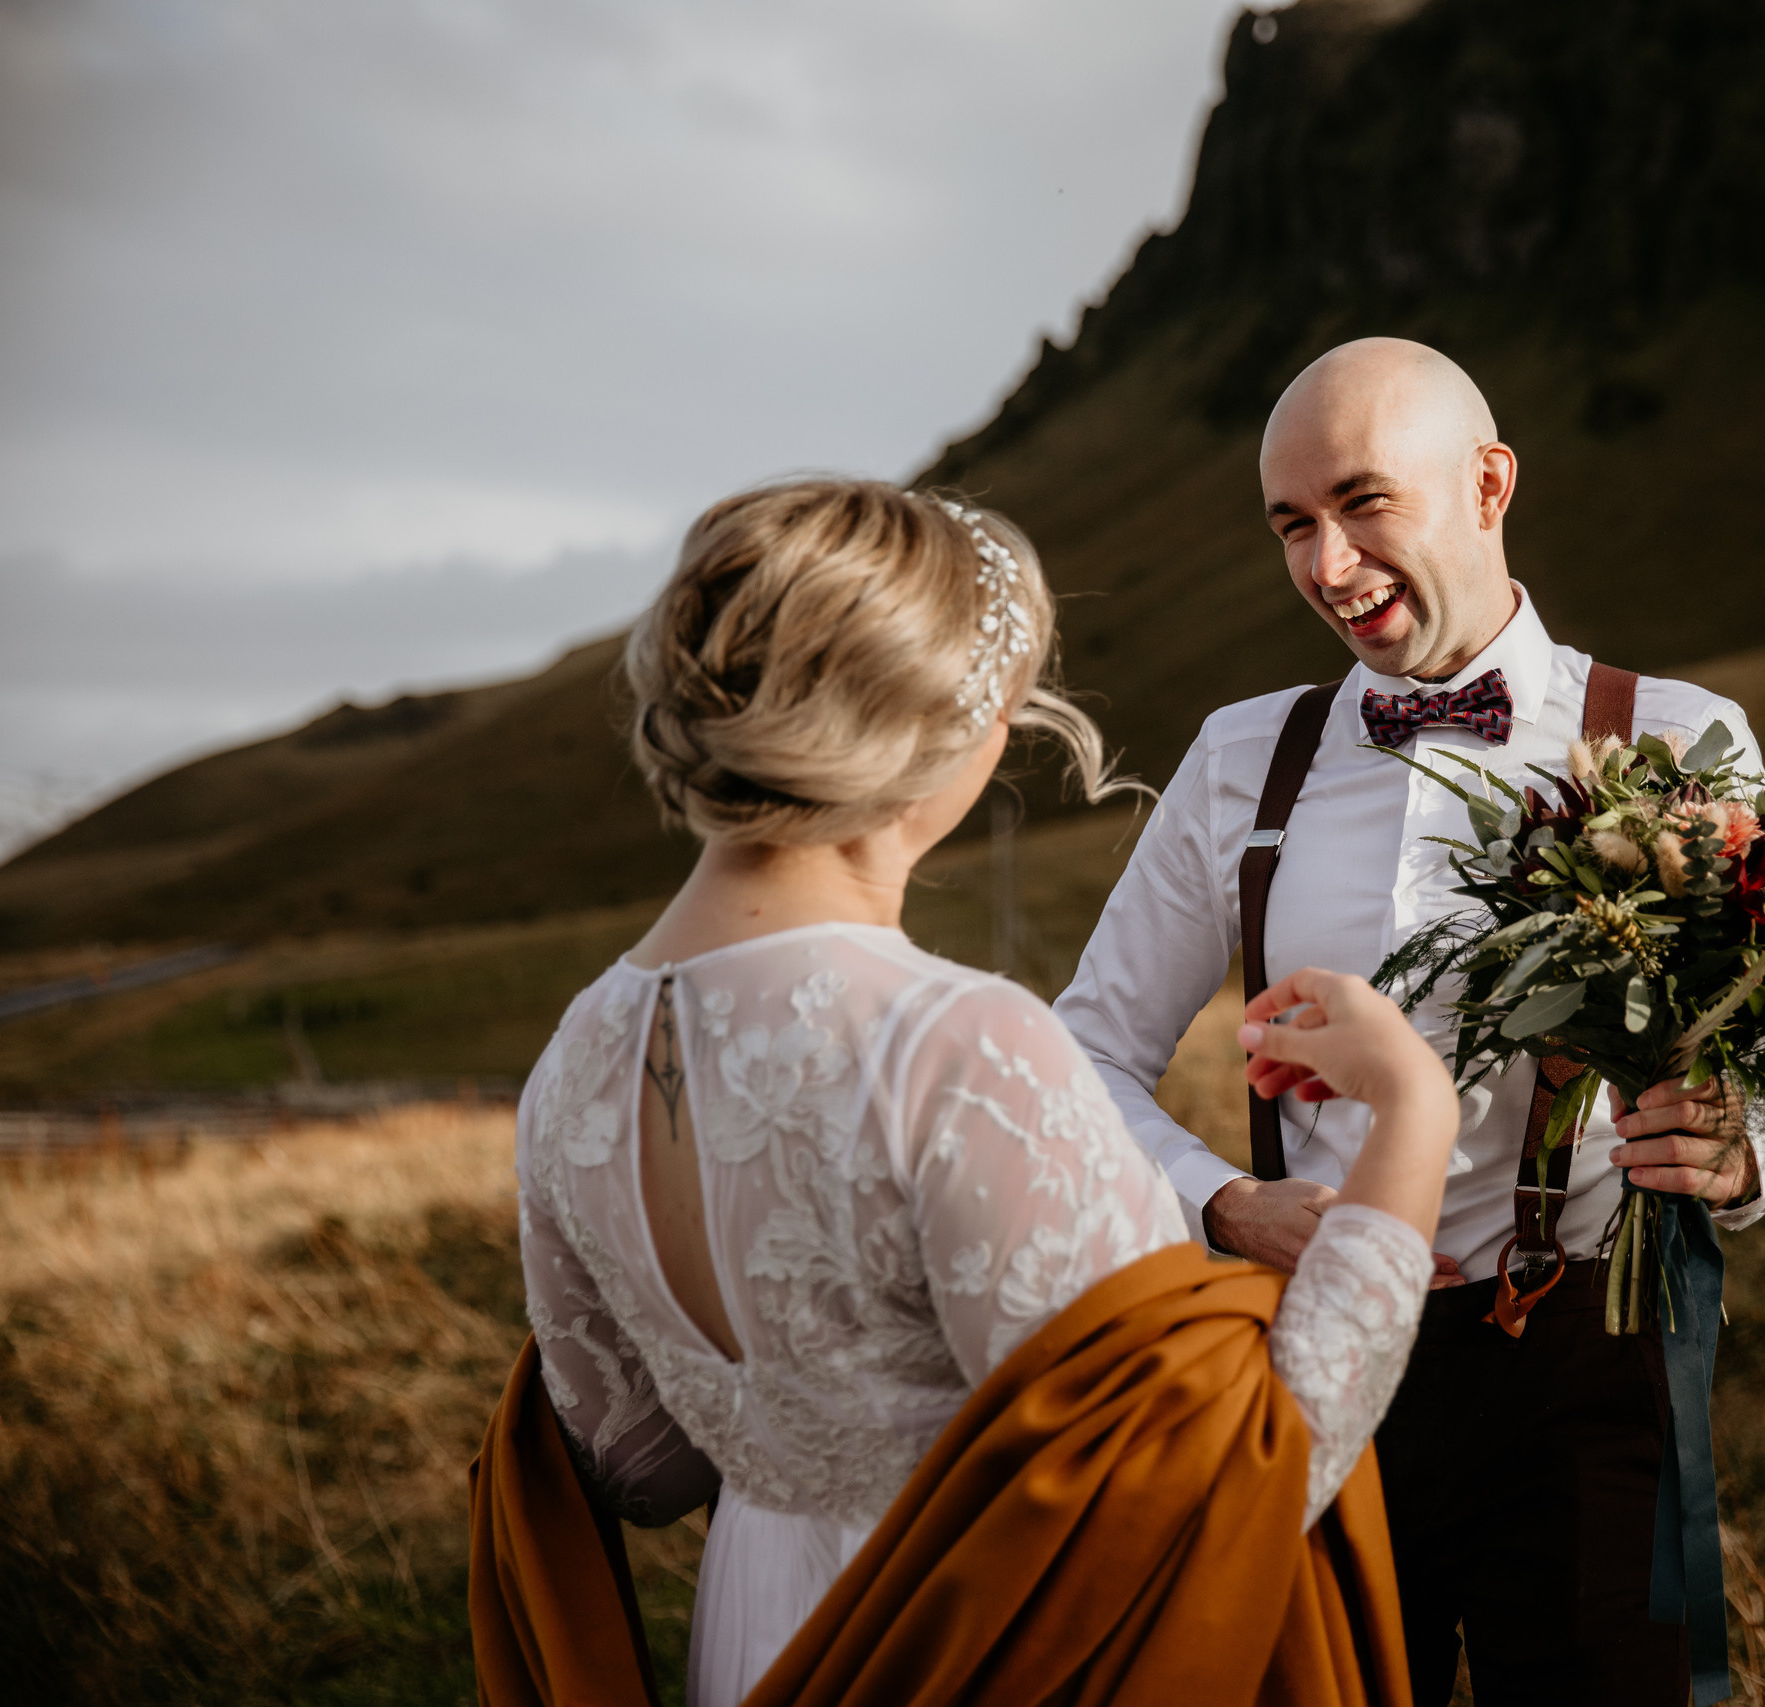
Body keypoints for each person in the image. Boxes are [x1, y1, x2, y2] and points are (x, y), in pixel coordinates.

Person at [485, 478, 1461, 1706]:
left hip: (756, 1637)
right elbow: (1219, 1489)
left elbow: (634, 1464)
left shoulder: (579, 1052)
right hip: (976, 1648)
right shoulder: (954, 1045)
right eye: (1003, 705)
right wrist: (1414, 1114)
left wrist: (796, 1411)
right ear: (938, 723)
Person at [1055, 339, 1765, 1706]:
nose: (1327, 563)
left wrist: (1750, 1140)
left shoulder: (1679, 735)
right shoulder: (1240, 758)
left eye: (1365, 503)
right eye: (1292, 524)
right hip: (1313, 1363)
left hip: (1586, 1364)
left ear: (1489, 484)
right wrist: (1223, 1203)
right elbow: (1080, 1056)